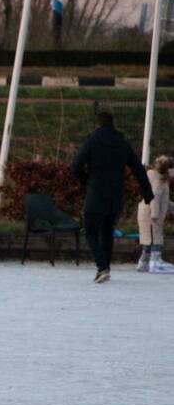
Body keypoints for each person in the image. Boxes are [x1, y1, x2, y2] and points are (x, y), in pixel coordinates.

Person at [71, 111, 152, 283]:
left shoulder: (92, 140)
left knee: (91, 232)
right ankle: (105, 268)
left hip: (96, 192)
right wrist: (147, 192)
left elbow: (76, 165)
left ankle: (102, 268)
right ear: (113, 124)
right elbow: (138, 168)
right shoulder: (123, 142)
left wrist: (86, 180)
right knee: (107, 232)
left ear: (97, 125)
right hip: (115, 194)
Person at [138, 155, 174, 274]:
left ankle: (144, 262)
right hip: (151, 212)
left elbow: (164, 200)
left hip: (147, 210)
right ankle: (155, 262)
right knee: (155, 237)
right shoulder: (159, 181)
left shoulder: (158, 178)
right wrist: (154, 214)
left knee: (149, 238)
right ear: (168, 169)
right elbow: (155, 197)